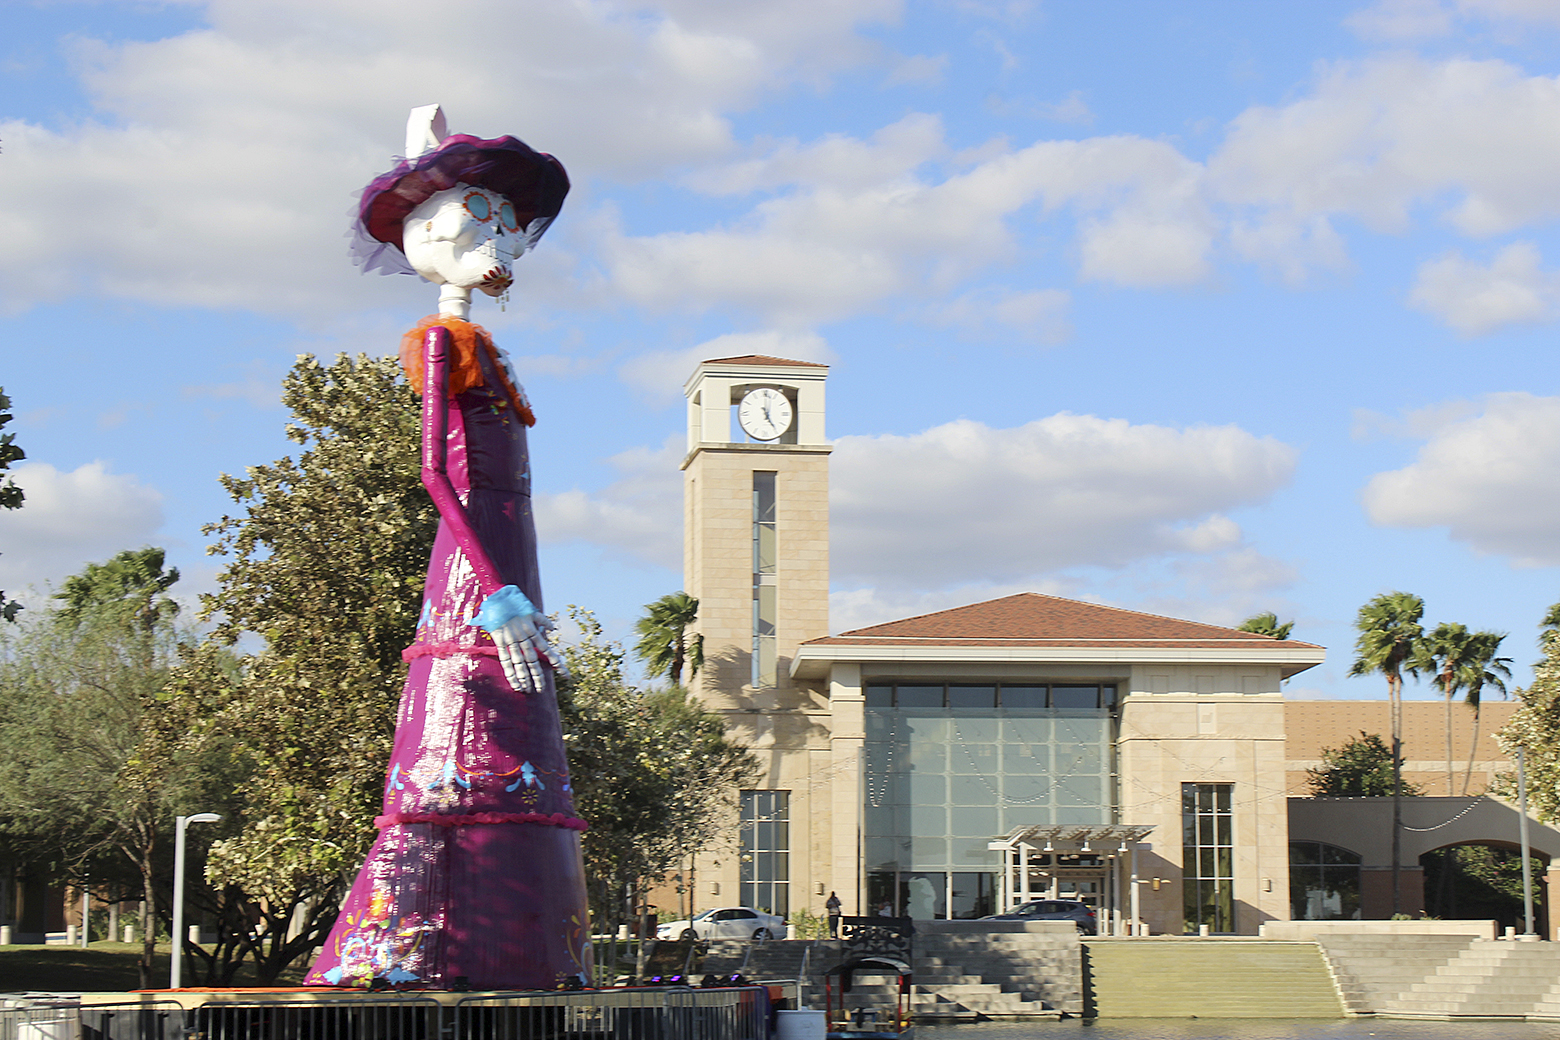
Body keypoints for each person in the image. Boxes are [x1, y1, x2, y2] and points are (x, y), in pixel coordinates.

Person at [306, 108, 588, 991]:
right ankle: (420, 946)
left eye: (507, 222)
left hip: (509, 542)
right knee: (471, 697)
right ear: (429, 231)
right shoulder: (440, 343)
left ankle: (519, 945)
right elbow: (435, 472)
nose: (499, 238)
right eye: (480, 217)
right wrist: (494, 588)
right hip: (480, 554)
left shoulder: (480, 345)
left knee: (516, 707)